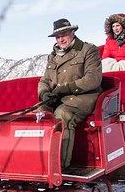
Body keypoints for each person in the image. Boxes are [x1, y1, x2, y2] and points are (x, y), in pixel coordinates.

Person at [37, 18, 102, 169]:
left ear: (72, 32)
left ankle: (59, 167)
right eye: (57, 37)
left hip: (82, 97)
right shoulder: (53, 56)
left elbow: (93, 79)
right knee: (40, 113)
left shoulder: (88, 50)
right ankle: (39, 163)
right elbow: (44, 80)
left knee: (62, 114)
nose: (61, 39)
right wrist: (44, 93)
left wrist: (68, 88)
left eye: (64, 35)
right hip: (59, 98)